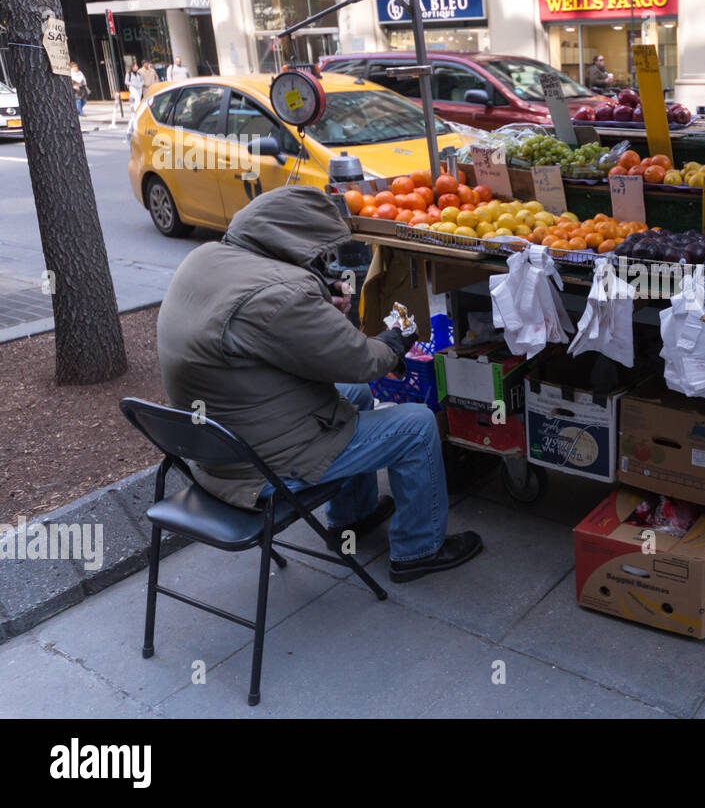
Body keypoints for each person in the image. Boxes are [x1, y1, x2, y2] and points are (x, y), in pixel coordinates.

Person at [155, 186, 483, 583]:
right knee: (415, 425)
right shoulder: (282, 296)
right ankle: (419, 549)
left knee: (356, 397)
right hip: (259, 468)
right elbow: (362, 362)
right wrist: (395, 341)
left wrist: (317, 308)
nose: (321, 259)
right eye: (317, 251)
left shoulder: (206, 257)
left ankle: (351, 518)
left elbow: (260, 332)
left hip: (216, 446)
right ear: (293, 240)